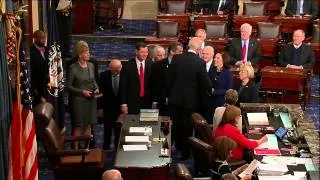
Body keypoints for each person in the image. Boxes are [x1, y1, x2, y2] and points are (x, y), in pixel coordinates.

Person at [167, 37, 212, 159]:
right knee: (187, 128)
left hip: (174, 100)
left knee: (173, 126)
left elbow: (168, 79)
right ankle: (185, 153)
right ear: (198, 48)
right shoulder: (200, 63)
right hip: (190, 102)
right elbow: (206, 84)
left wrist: (169, 95)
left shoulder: (176, 59)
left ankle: (167, 151)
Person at [67, 40, 99, 149]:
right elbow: (68, 86)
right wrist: (82, 92)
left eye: (89, 52)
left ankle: (87, 147)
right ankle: (76, 149)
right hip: (78, 101)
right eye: (86, 53)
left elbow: (93, 80)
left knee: (88, 124)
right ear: (80, 55)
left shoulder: (91, 65)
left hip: (91, 100)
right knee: (77, 126)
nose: (89, 54)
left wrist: (96, 87)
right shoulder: (73, 68)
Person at [151, 42, 183, 116]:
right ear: (172, 51)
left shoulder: (183, 65)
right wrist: (155, 101)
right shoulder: (158, 65)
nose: (182, 54)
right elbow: (155, 85)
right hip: (162, 103)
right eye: (180, 51)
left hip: (178, 103)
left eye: (182, 51)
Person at [120, 42, 153, 114]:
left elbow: (154, 84)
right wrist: (123, 104)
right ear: (136, 51)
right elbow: (123, 86)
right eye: (142, 52)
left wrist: (155, 101)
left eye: (146, 52)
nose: (145, 54)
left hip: (147, 102)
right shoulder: (127, 66)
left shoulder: (151, 64)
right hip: (132, 102)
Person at [98, 59, 122, 150]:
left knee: (118, 130)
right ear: (110, 68)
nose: (117, 71)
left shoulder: (124, 75)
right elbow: (100, 93)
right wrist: (100, 108)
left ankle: (117, 148)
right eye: (115, 69)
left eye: (118, 69)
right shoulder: (104, 75)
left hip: (120, 108)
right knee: (107, 130)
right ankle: (105, 149)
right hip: (107, 108)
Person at [30, 30, 48, 106]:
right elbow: (32, 72)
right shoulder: (30, 51)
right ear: (35, 39)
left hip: (48, 85)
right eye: (41, 38)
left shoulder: (48, 49)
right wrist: (37, 92)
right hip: (37, 88)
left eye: (45, 38)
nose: (44, 40)